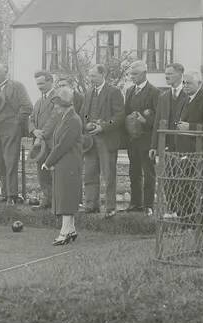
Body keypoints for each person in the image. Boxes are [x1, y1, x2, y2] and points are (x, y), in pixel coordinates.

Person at [0, 63, 32, 205]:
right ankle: (4, 193)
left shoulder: (17, 86)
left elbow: (27, 106)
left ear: (6, 71)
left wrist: (16, 124)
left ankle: (12, 196)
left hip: (11, 129)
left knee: (10, 161)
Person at [173, 71, 203, 221]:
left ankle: (197, 223)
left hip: (202, 154)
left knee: (199, 189)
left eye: (189, 83)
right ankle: (185, 221)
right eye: (184, 83)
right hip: (185, 153)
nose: (185, 86)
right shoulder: (184, 100)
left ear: (199, 84)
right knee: (184, 188)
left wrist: (191, 127)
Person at [79, 64, 125, 218]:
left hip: (107, 140)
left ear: (103, 74)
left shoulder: (114, 92)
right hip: (90, 141)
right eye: (90, 76)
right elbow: (84, 114)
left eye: (93, 76)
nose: (91, 79)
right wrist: (87, 123)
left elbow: (119, 116)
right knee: (90, 174)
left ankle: (110, 208)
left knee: (108, 175)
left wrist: (103, 126)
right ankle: (91, 205)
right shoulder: (88, 92)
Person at [41, 85, 84, 246]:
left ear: (65, 104)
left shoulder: (72, 119)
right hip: (66, 163)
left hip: (69, 163)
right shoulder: (67, 117)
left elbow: (62, 145)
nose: (56, 107)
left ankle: (65, 232)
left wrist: (48, 161)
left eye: (58, 104)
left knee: (66, 197)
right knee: (66, 195)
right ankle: (71, 229)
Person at [149, 63, 189, 218]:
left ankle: (183, 212)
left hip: (184, 145)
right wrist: (153, 146)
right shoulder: (163, 96)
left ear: (180, 74)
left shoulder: (188, 95)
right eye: (166, 74)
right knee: (168, 178)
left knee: (183, 179)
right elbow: (157, 123)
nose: (166, 76)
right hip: (167, 146)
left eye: (170, 74)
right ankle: (172, 209)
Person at [123, 60, 159, 215]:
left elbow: (158, 118)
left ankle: (148, 205)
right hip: (133, 140)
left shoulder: (154, 92)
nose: (132, 77)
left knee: (148, 173)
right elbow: (125, 113)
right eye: (131, 74)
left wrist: (146, 121)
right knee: (134, 172)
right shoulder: (130, 91)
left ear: (144, 74)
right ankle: (135, 203)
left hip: (146, 140)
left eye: (135, 74)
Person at [29, 71, 57, 209]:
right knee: (42, 172)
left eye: (42, 83)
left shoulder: (57, 98)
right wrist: (34, 130)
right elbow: (31, 119)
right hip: (40, 144)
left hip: (52, 142)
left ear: (50, 81)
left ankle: (56, 202)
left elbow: (54, 118)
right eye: (37, 84)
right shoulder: (39, 101)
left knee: (54, 172)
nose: (39, 87)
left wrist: (41, 134)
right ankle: (47, 200)